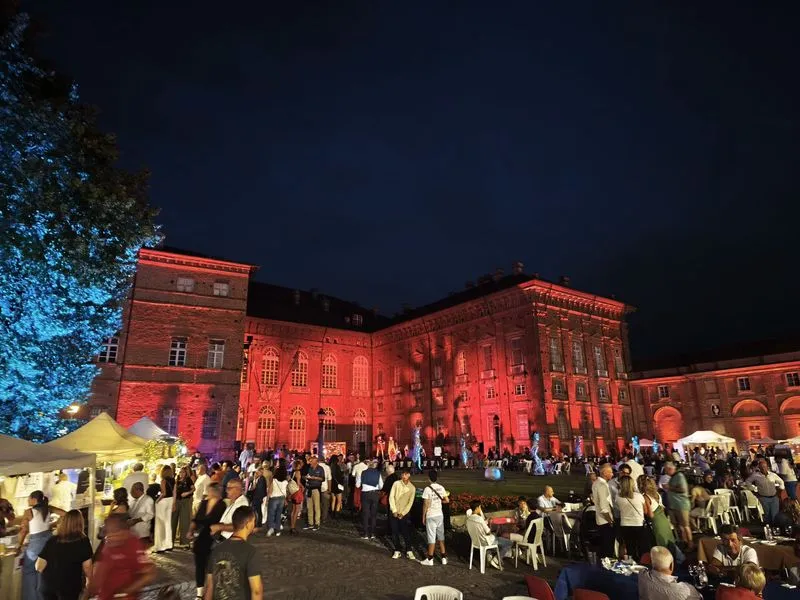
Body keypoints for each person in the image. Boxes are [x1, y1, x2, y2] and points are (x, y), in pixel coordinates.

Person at [87, 513, 155, 600]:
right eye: (108, 531)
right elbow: (99, 576)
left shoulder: (133, 545)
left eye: (113, 531)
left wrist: (126, 592)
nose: (109, 536)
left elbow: (149, 573)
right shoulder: (108, 545)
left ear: (124, 531)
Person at [204, 507, 263, 600]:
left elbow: (209, 587)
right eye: (253, 521)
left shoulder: (216, 550)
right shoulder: (250, 552)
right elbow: (256, 591)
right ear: (248, 524)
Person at [36, 509, 93, 600]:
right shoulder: (83, 541)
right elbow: (87, 566)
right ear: (80, 523)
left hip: (47, 587)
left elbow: (39, 566)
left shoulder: (53, 540)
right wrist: (89, 581)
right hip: (69, 587)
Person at [18, 490, 65, 600]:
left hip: (35, 545)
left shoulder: (29, 512)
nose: (28, 500)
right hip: (49, 542)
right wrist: (54, 524)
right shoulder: (48, 509)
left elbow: (23, 531)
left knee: (30, 572)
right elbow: (65, 514)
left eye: (29, 498)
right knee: (44, 572)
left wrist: (18, 546)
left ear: (34, 499)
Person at [189, 482, 225, 599]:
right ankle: (200, 592)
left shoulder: (222, 505)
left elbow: (220, 522)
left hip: (212, 538)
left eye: (209, 490)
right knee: (199, 565)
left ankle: (211, 591)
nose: (208, 493)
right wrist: (190, 531)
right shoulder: (204, 503)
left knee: (211, 567)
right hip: (200, 538)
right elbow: (196, 519)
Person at [466, 499, 513, 569]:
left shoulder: (468, 519)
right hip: (486, 541)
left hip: (476, 542)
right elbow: (488, 532)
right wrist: (491, 532)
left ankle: (489, 556)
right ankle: (496, 559)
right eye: (480, 507)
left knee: (496, 537)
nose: (480, 509)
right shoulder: (479, 519)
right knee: (509, 543)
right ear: (477, 508)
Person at [420, 470, 448, 566]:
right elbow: (447, 500)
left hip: (431, 515)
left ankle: (430, 558)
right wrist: (439, 502)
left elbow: (426, 504)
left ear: (429, 478)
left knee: (431, 537)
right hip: (439, 514)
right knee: (441, 536)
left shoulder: (427, 489)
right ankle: (443, 557)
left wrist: (423, 516)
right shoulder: (441, 487)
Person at [616, 475, 646, 561]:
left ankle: (631, 561)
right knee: (640, 545)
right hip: (638, 523)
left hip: (625, 524)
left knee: (629, 546)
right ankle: (641, 562)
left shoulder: (618, 497)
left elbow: (618, 508)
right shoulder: (639, 496)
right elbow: (644, 510)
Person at [388, 468, 416, 560]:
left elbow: (410, 503)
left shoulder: (412, 488)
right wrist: (394, 510)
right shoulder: (396, 484)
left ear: (409, 475)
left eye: (405, 474)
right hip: (394, 511)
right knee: (394, 532)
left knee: (405, 532)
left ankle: (409, 550)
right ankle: (397, 550)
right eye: (402, 474)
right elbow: (391, 497)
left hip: (404, 513)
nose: (404, 476)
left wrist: (403, 513)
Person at [592, 463, 615, 558]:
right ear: (604, 473)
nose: (612, 474)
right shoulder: (602, 485)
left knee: (604, 545)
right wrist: (610, 521)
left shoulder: (597, 483)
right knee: (608, 546)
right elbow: (603, 506)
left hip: (601, 519)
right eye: (610, 472)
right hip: (605, 520)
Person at [746, 459, 779, 524]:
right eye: (762, 467)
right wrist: (753, 490)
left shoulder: (772, 475)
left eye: (764, 467)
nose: (763, 468)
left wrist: (779, 491)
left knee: (775, 515)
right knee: (767, 515)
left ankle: (775, 527)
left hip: (774, 497)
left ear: (767, 467)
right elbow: (747, 481)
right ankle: (768, 527)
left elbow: (781, 482)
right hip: (764, 497)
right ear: (759, 468)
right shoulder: (756, 475)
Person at [357, 458, 383, 539]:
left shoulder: (363, 473)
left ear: (367, 465)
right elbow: (381, 485)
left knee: (365, 514)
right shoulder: (378, 473)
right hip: (375, 494)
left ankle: (365, 533)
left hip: (365, 494)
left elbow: (357, 485)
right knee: (373, 515)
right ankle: (372, 533)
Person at [667, 466, 692, 549]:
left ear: (671, 469)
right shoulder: (673, 477)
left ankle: (690, 544)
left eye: (667, 469)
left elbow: (682, 489)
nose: (666, 472)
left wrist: (669, 488)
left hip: (681, 505)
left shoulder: (679, 476)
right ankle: (684, 543)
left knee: (685, 526)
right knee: (680, 526)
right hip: (674, 505)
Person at [154, 465, 176, 552]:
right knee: (167, 523)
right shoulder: (173, 480)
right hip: (170, 501)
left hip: (163, 502)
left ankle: (160, 546)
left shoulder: (163, 480)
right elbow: (174, 493)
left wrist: (157, 501)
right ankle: (168, 544)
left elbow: (163, 493)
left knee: (160, 524)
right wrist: (174, 503)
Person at [303, 455, 325, 531]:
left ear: (315, 461)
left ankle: (317, 523)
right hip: (309, 488)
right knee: (309, 507)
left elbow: (322, 478)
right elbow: (305, 476)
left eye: (311, 461)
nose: (310, 463)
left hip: (316, 489)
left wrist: (314, 478)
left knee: (316, 507)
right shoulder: (309, 468)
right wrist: (306, 477)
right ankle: (310, 523)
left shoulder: (320, 468)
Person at [265, 465, 288, 536]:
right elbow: (285, 491)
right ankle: (278, 530)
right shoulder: (285, 481)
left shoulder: (274, 480)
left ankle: (271, 528)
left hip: (274, 498)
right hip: (282, 498)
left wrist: (267, 499)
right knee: (278, 514)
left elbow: (270, 490)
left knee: (271, 514)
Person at [288, 459, 304, 534]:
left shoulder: (292, 472)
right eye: (300, 464)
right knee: (296, 510)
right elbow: (298, 483)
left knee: (293, 509)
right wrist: (302, 486)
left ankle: (292, 526)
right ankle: (293, 527)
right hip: (297, 492)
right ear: (298, 465)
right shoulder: (298, 472)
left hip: (293, 492)